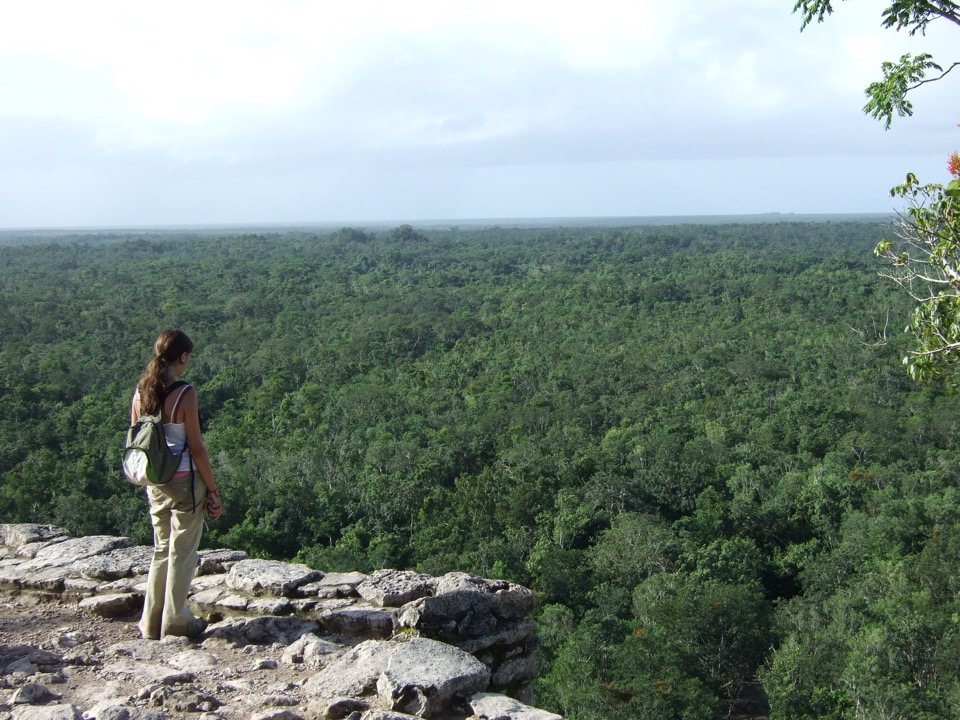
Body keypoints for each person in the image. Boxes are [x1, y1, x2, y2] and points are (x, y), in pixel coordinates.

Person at [131, 328, 222, 640]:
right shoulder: (185, 394)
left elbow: (137, 438)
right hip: (185, 483)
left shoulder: (141, 391)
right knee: (182, 552)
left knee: (161, 549)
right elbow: (196, 447)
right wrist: (212, 489)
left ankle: (150, 623)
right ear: (183, 357)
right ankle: (176, 621)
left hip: (154, 481)